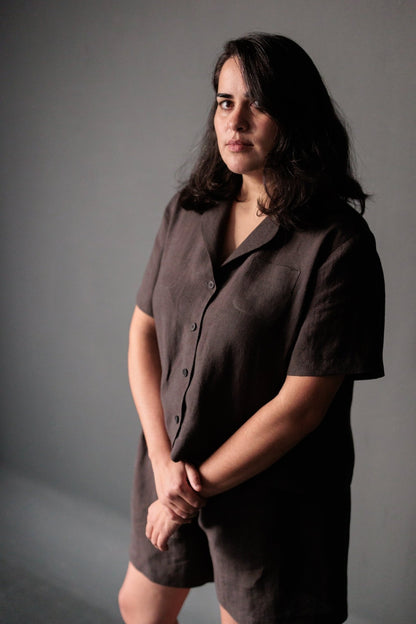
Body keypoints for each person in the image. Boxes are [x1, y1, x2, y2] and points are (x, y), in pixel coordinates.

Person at [118, 33, 384, 624]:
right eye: (224, 101)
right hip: (172, 463)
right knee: (138, 605)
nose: (235, 121)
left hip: (273, 493)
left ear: (295, 116)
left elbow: (300, 409)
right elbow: (143, 334)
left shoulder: (338, 246)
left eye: (257, 104)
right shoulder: (188, 208)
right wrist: (164, 464)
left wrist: (188, 491)